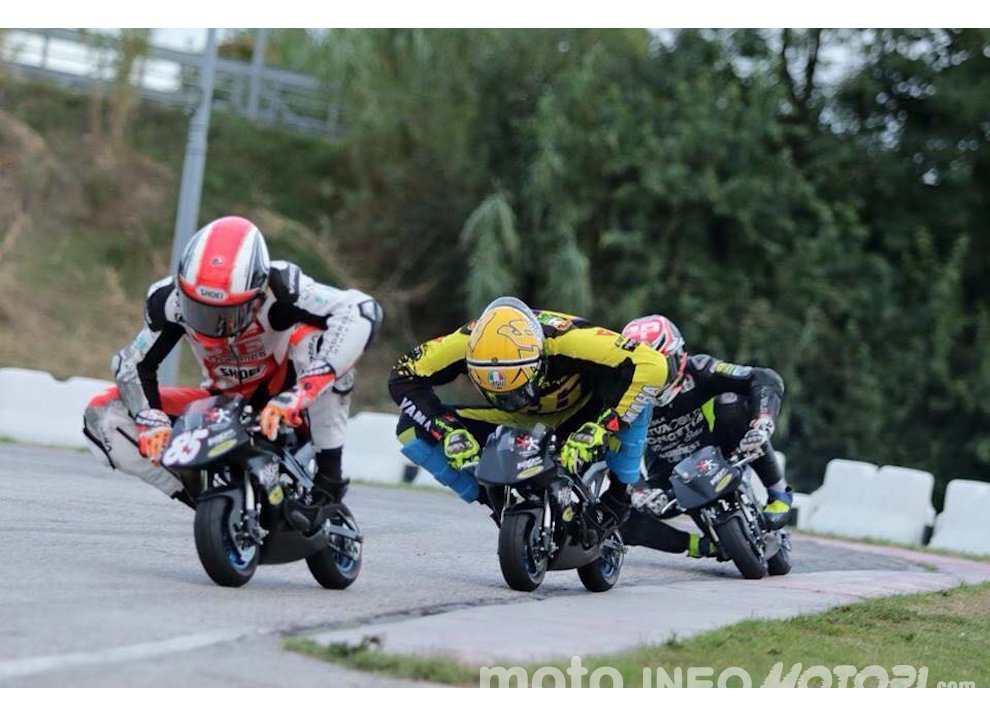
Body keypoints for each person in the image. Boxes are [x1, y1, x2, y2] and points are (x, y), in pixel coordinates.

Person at [83, 216, 382, 530]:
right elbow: (131, 364)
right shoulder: (166, 300)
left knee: (311, 340)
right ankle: (205, 498)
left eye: (227, 313)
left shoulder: (284, 285)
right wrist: (149, 419)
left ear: (257, 292)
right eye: (199, 309)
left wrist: (309, 386)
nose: (214, 326)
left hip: (288, 398)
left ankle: (328, 480)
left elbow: (360, 309)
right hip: (223, 400)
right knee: (102, 413)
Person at [387, 296, 673, 526]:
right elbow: (402, 374)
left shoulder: (570, 339)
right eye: (499, 391)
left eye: (518, 388)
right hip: (514, 421)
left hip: (581, 414)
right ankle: (490, 497)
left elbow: (653, 365)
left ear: (539, 360)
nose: (511, 397)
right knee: (410, 427)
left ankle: (621, 492)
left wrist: (605, 424)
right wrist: (448, 431)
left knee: (641, 393)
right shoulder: (463, 344)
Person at [618, 314, 791, 558]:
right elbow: (614, 447)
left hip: (723, 450)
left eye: (660, 367)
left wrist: (763, 421)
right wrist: (638, 489)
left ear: (679, 356)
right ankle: (696, 545)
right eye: (641, 370)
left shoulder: (700, 368)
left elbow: (764, 377)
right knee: (616, 514)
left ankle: (779, 492)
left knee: (730, 401)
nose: (654, 379)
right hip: (667, 475)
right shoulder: (623, 398)